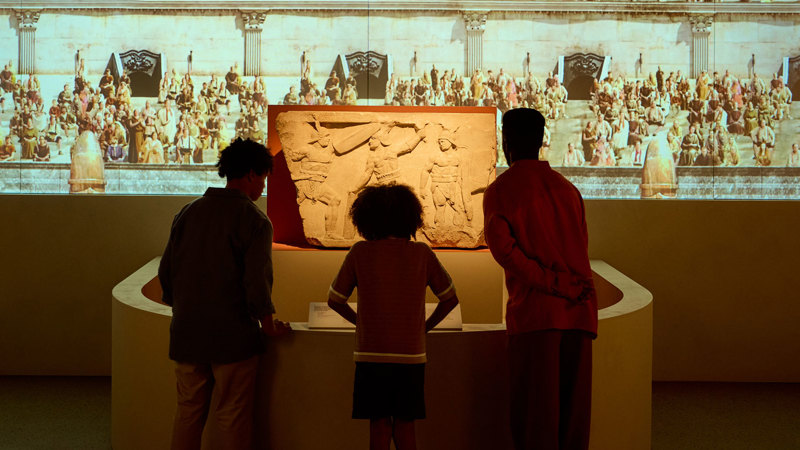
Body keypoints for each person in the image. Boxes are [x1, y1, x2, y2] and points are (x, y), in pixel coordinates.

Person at [158, 138, 290, 450]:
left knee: (188, 412)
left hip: (187, 332)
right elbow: (257, 281)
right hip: (233, 336)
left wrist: (185, 310)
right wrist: (268, 324)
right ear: (250, 175)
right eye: (263, 179)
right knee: (232, 414)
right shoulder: (254, 220)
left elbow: (167, 273)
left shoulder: (188, 212)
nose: (262, 188)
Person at [483, 108, 597, 450]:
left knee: (535, 422)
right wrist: (570, 289)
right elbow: (579, 250)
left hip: (536, 316)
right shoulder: (567, 189)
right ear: (541, 140)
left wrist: (554, 286)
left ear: (506, 142)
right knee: (572, 424)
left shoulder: (501, 191)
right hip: (579, 314)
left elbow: (508, 256)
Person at [327, 184, 459, 450]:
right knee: (405, 424)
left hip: (370, 354)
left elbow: (335, 300)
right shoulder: (422, 253)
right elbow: (450, 299)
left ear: (366, 217)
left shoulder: (360, 252)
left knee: (378, 425)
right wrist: (423, 328)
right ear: (410, 217)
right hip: (411, 354)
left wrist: (361, 322)